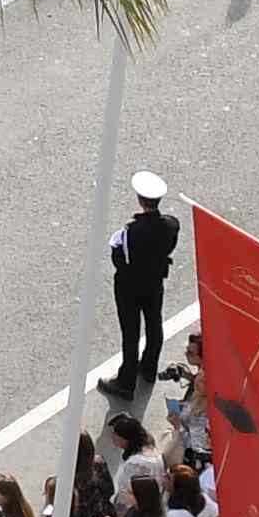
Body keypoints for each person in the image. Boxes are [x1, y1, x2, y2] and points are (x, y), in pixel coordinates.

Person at [107, 169, 179, 400]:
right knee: (154, 323)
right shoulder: (170, 225)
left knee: (131, 333)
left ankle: (126, 382)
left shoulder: (131, 231)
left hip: (129, 286)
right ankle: (149, 367)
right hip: (154, 282)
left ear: (140, 200)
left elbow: (120, 260)